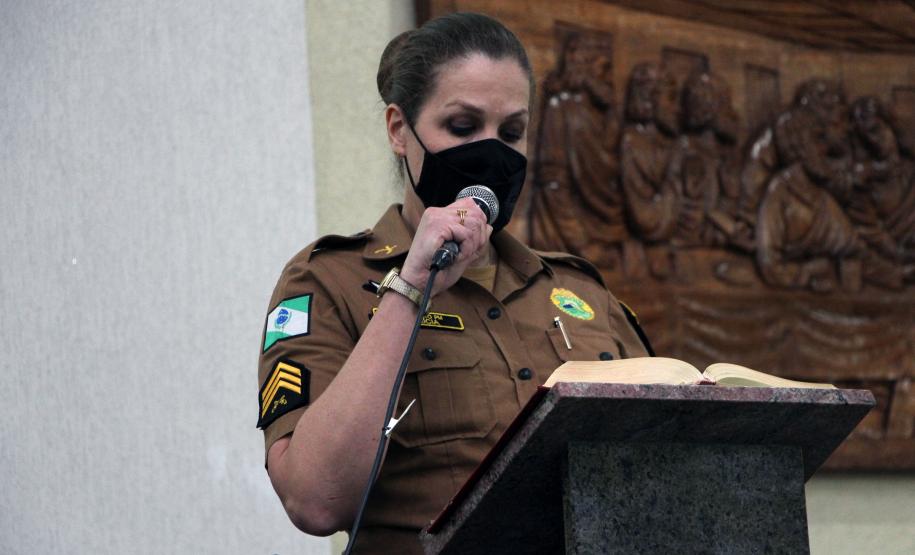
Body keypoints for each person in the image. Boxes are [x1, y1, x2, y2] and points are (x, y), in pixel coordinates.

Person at [257, 13, 650, 554]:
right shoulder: (330, 282)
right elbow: (316, 501)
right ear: (400, 130)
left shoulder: (580, 290)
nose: (491, 152)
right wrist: (412, 284)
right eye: (463, 128)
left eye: (511, 132)